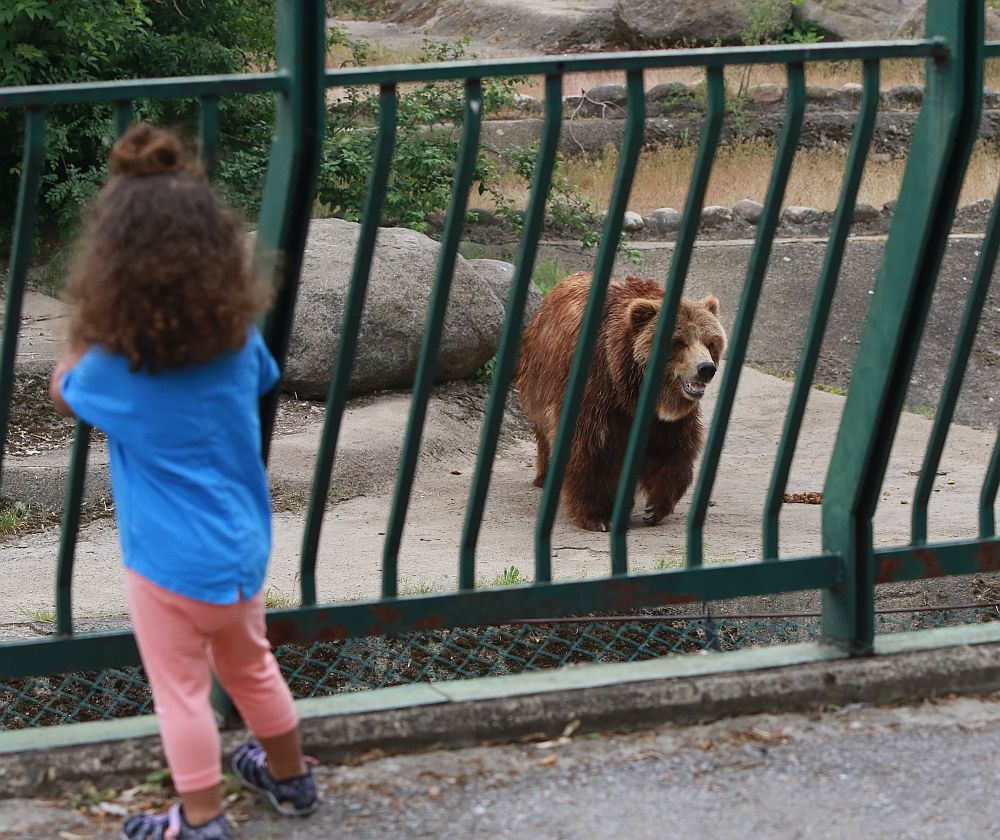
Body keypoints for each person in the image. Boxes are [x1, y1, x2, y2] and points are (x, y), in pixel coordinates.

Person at [49, 123, 318, 839]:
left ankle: (199, 821)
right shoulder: (237, 342)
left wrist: (85, 330)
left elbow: (65, 388)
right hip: (238, 552)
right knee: (253, 668)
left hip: (166, 563)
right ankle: (292, 779)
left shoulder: (114, 366)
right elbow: (262, 377)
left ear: (109, 266)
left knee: (181, 695)